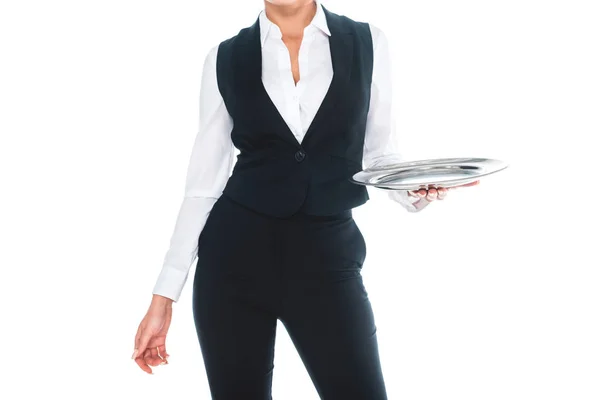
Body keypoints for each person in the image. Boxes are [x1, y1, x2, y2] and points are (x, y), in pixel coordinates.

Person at [132, 0, 479, 398]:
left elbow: (379, 153)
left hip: (327, 260)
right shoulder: (224, 57)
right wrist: (164, 295)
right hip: (232, 263)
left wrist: (415, 186)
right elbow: (202, 184)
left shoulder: (368, 41)